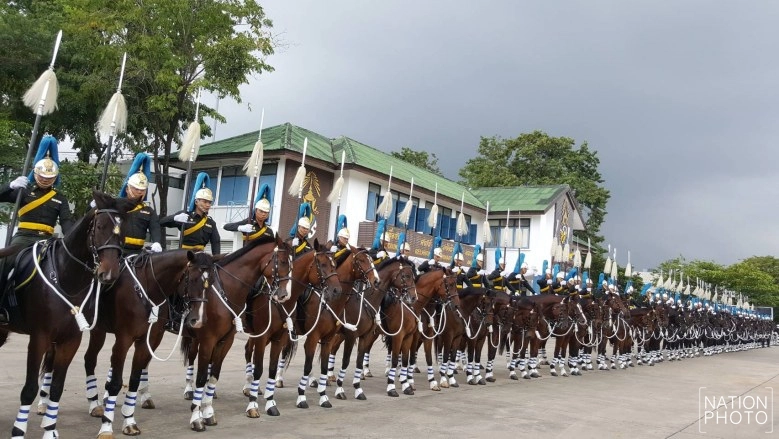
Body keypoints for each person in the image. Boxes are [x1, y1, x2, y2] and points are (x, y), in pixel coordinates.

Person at [0, 136, 74, 323]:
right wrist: (10, 185)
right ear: (35, 173)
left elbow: (67, 223)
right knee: (5, 263)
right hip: (23, 238)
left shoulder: (60, 198)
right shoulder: (23, 191)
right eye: (42, 176)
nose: (45, 180)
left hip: (47, 241)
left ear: (55, 178)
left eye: (50, 178)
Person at [159, 172, 220, 254]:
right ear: (196, 201)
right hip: (184, 254)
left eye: (209, 202)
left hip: (200, 255)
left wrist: (217, 259)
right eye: (205, 202)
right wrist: (174, 218)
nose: (208, 205)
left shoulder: (211, 223)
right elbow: (162, 222)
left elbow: (216, 242)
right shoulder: (184, 215)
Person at [118, 153, 162, 256]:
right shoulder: (117, 204)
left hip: (138, 253)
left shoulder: (148, 210)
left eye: (142, 190)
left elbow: (155, 227)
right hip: (118, 250)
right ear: (127, 188)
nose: (139, 192)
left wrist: (156, 241)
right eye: (136, 189)